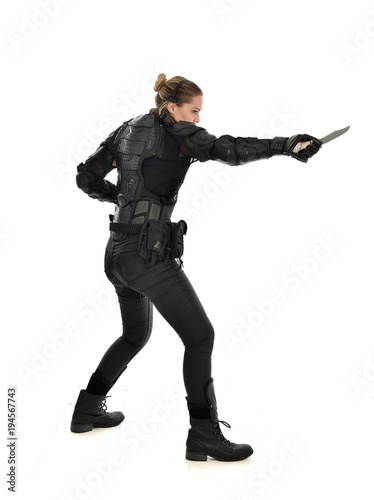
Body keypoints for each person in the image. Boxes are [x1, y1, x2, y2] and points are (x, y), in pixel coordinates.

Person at [70, 73, 322, 461]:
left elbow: (86, 177)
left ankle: (86, 409)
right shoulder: (179, 133)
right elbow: (230, 149)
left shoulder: (127, 129)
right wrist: (286, 145)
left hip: (116, 254)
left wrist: (121, 201)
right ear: (172, 107)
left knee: (135, 336)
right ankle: (204, 434)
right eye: (194, 110)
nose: (198, 118)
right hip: (146, 256)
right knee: (200, 338)